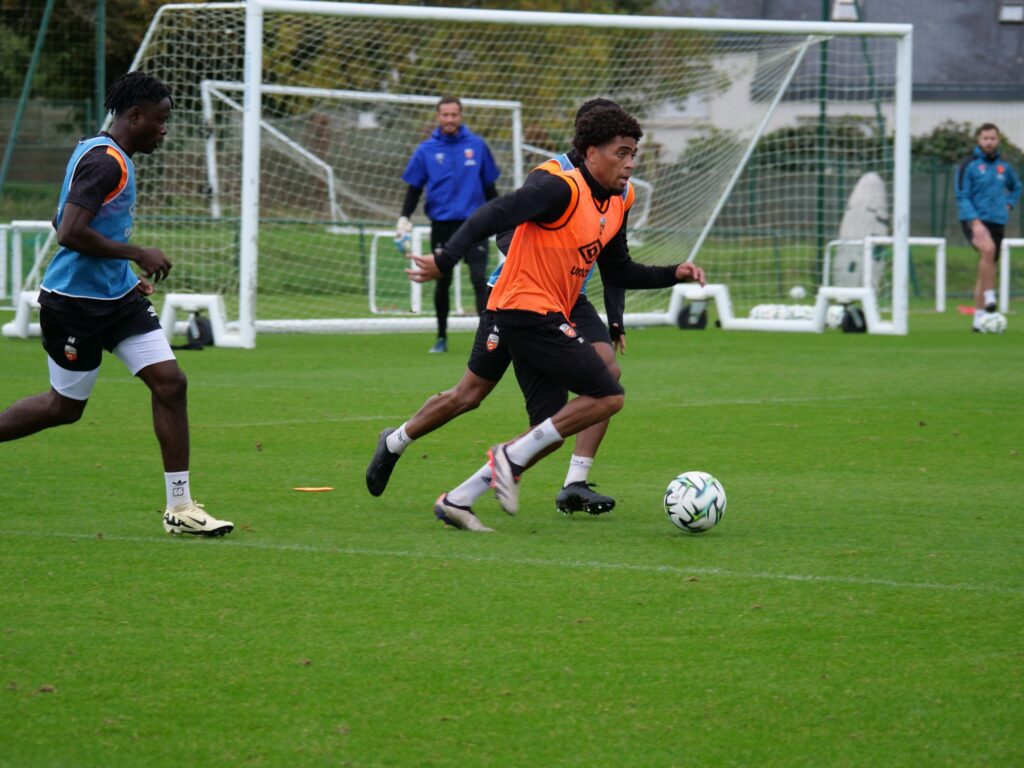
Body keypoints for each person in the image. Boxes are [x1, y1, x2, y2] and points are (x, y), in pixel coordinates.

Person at [405, 104, 705, 531]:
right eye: (621, 153)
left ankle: (458, 500)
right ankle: (506, 457)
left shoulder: (619, 199)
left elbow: (618, 269)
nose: (630, 164)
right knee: (607, 394)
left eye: (633, 154)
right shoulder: (559, 188)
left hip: (549, 312)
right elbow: (493, 214)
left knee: (547, 430)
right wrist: (446, 257)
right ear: (590, 152)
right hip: (522, 308)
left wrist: (674, 274)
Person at [367, 100, 628, 517]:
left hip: (565, 299)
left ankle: (574, 482)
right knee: (468, 395)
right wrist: (543, 258)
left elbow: (614, 257)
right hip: (515, 295)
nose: (626, 158)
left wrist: (615, 316)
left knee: (605, 376)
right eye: (619, 148)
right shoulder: (554, 178)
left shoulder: (613, 187)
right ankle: (396, 441)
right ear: (588, 143)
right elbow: (508, 230)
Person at [0, 71, 233, 538]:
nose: (165, 129)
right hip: (74, 307)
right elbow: (67, 230)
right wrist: (136, 254)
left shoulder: (102, 152)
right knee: (63, 408)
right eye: (161, 121)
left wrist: (123, 275)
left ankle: (180, 507)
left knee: (170, 382)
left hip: (118, 300)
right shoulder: (106, 162)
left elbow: (65, 216)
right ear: (135, 115)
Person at [397, 96, 501, 353]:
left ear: (461, 116)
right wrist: (403, 218)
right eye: (445, 115)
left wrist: (503, 219)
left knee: (480, 280)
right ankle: (441, 337)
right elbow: (414, 189)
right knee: (442, 281)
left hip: (475, 223)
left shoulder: (477, 146)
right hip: (443, 226)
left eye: (454, 115)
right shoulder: (425, 150)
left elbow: (490, 188)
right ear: (438, 117)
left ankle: (484, 339)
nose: (450, 119)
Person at [954, 123, 1021, 331]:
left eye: (992, 138)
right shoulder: (969, 165)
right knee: (988, 250)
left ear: (998, 141)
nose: (989, 142)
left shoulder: (1004, 167)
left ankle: (979, 318)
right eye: (985, 138)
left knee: (987, 266)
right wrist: (974, 221)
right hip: (973, 219)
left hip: (997, 220)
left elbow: (1017, 186)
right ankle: (991, 297)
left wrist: (1009, 203)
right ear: (978, 140)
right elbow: (962, 195)